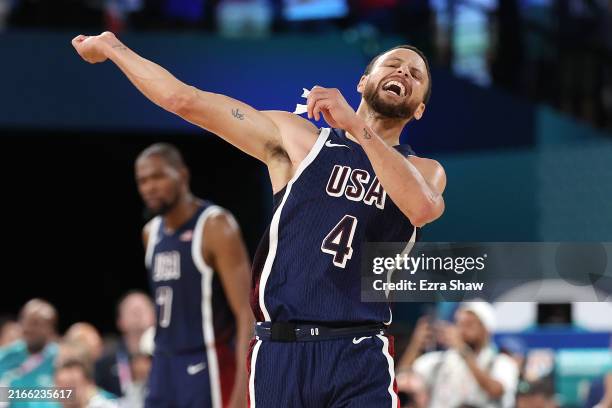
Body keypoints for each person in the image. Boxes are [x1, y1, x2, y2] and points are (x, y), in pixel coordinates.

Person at [71, 32, 446, 406]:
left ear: (419, 110)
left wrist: (357, 127)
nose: (404, 73)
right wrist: (112, 48)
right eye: (394, 65)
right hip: (280, 349)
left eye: (416, 75)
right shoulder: (300, 139)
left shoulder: (422, 169)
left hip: (359, 352)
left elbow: (423, 208)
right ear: (364, 82)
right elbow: (184, 100)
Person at [136, 143, 253, 408]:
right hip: (163, 363)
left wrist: (243, 385)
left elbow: (246, 311)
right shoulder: (150, 233)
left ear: (183, 175)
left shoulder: (215, 226)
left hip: (206, 362)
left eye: (158, 176)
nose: (150, 187)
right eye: (143, 181)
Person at [399, 302, 519, 408]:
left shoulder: (502, 362)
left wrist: (463, 350)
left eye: (469, 324)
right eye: (459, 324)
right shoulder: (442, 361)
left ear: (486, 329)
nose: (462, 330)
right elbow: (401, 379)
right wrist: (416, 344)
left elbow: (495, 390)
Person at [95, 292, 154, 399]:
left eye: (142, 309)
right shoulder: (105, 363)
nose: (137, 314)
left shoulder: (166, 357)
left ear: (154, 317)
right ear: (119, 321)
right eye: (131, 311)